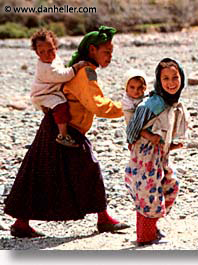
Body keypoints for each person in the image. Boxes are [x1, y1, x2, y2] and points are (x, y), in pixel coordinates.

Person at [4, 25, 129, 238]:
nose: (109, 56)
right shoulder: (85, 72)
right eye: (106, 52)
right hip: (66, 131)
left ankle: (21, 223)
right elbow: (97, 105)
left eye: (111, 52)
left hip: (56, 126)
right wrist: (129, 108)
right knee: (90, 168)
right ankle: (103, 219)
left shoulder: (78, 69)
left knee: (40, 173)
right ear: (92, 50)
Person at [125, 58, 188, 246]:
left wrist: (169, 145)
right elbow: (133, 128)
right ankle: (145, 236)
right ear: (158, 81)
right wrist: (140, 141)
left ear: (181, 78)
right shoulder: (153, 103)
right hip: (146, 154)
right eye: (165, 78)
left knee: (169, 186)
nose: (171, 83)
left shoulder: (170, 102)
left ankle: (151, 228)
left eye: (175, 77)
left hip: (160, 153)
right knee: (148, 191)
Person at [31, 29, 89, 147]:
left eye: (50, 50)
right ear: (37, 53)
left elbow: (62, 68)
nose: (47, 54)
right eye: (42, 52)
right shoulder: (45, 68)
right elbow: (62, 75)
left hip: (51, 90)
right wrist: (76, 67)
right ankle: (63, 135)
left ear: (56, 47)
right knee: (61, 106)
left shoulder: (54, 59)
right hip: (43, 94)